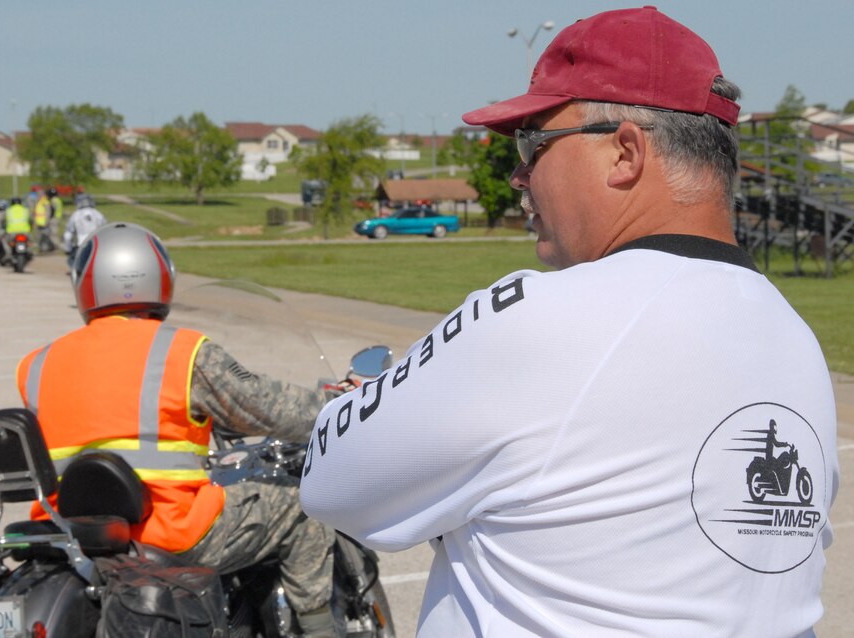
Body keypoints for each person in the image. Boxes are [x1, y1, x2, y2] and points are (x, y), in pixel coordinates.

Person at [299, 7, 838, 638]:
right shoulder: (796, 340)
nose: (517, 175)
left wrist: (367, 398)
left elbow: (330, 478)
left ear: (625, 151)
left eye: (533, 143)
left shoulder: (537, 315)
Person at [16, 223, 342, 636]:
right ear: (160, 275)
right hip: (167, 530)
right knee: (303, 509)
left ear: (85, 285)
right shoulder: (183, 352)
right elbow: (267, 408)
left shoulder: (37, 364)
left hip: (72, 534)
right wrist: (339, 405)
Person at [62, 193, 107, 269]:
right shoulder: (98, 214)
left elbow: (67, 235)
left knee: (72, 261)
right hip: (96, 245)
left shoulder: (76, 215)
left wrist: (68, 249)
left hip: (82, 245)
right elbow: (105, 230)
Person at [0, 196, 31, 262]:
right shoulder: (25, 210)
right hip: (24, 231)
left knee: (3, 240)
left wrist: (3, 225)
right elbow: (31, 220)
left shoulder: (8, 210)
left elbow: (3, 220)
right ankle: (29, 251)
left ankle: (8, 253)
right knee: (29, 242)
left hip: (12, 232)